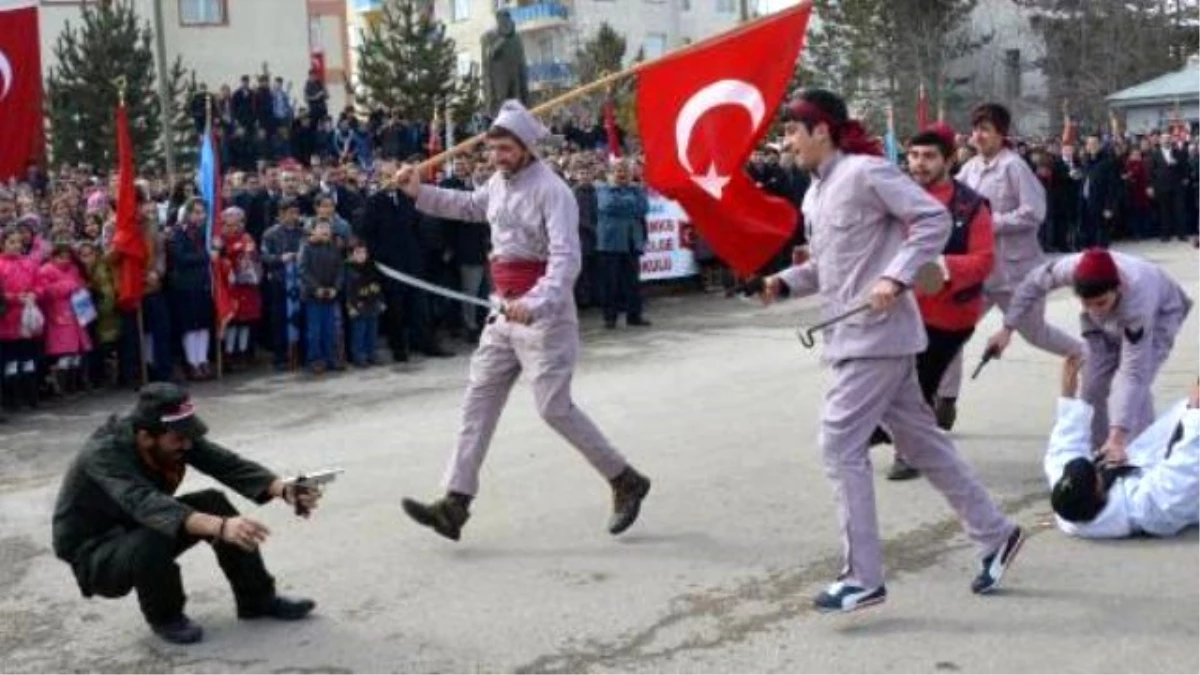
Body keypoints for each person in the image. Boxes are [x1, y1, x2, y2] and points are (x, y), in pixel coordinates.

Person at [759, 89, 1024, 613]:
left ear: (822, 131)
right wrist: (784, 283)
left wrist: (896, 277)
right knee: (924, 444)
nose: (786, 141)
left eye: (793, 130)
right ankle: (996, 534)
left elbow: (931, 220)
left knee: (838, 446)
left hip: (875, 338)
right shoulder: (815, 194)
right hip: (853, 336)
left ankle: (863, 576)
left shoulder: (865, 173)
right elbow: (830, 268)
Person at [395, 100, 651, 541]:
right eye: (493, 149)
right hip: (501, 312)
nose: (497, 157)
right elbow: (470, 206)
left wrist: (536, 303)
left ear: (528, 147)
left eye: (506, 149)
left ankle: (625, 479)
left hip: (544, 318)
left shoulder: (554, 192)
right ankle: (455, 503)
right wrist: (419, 190)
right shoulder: (496, 182)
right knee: (478, 400)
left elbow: (567, 262)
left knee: (553, 408)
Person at [51, 383, 320, 644]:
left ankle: (257, 599)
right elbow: (145, 502)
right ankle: (166, 617)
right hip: (96, 552)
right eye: (179, 439)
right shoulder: (103, 454)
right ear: (146, 437)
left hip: (135, 523)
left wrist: (284, 490)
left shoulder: (172, 436)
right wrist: (220, 527)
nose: (188, 445)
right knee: (156, 533)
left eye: (189, 436)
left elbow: (226, 464)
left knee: (212, 503)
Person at [935, 103, 1082, 429]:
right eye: (976, 129)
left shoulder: (1014, 167)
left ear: (1001, 134)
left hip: (1017, 272)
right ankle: (944, 402)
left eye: (986, 129)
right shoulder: (969, 169)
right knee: (952, 330)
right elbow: (952, 203)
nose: (979, 135)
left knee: (1036, 334)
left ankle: (1087, 352)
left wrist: (989, 223)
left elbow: (1035, 212)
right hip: (979, 274)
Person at [870, 124, 995, 481]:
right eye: (913, 155)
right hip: (900, 307)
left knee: (919, 381)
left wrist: (942, 266)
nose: (919, 164)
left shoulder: (971, 206)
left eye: (929, 156)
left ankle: (908, 450)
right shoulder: (897, 197)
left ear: (949, 160)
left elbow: (985, 261)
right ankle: (891, 430)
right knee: (885, 375)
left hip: (950, 314)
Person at [985, 248, 1192, 464]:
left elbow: (1133, 373)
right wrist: (1007, 328)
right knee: (1092, 386)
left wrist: (1117, 435)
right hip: (1103, 325)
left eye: (1100, 302)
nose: (1095, 308)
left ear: (1117, 288)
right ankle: (1102, 453)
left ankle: (1140, 456)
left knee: (1134, 385)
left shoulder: (1138, 299)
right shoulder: (1069, 269)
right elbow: (1032, 285)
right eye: (1086, 302)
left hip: (1161, 314)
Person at [1045, 359, 1200, 538]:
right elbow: (1186, 468)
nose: (1095, 467)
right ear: (1098, 491)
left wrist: (1068, 395)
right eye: (1094, 473)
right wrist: (1196, 412)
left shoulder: (1068, 500)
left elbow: (1063, 451)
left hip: (1150, 461)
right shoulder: (1150, 508)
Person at [595, 159, 651, 329]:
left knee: (633, 282)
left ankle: (634, 316)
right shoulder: (603, 189)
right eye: (618, 171)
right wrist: (629, 202)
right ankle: (610, 318)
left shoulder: (636, 189)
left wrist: (624, 202)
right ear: (611, 173)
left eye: (625, 171)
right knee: (610, 283)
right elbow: (607, 205)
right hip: (610, 244)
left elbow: (643, 208)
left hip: (632, 242)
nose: (622, 174)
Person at [298, 219, 344, 374]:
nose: (325, 230)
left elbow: (340, 270)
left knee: (330, 329)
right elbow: (303, 271)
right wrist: (316, 288)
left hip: (330, 294)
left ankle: (331, 358)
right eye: (321, 227)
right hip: (313, 296)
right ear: (313, 231)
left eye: (327, 227)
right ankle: (315, 359)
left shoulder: (334, 248)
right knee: (314, 330)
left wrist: (335, 288)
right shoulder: (306, 247)